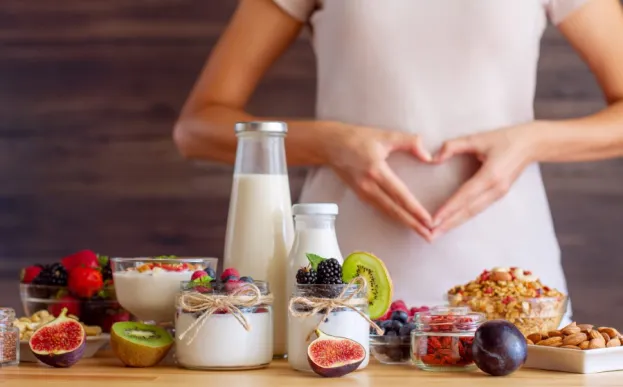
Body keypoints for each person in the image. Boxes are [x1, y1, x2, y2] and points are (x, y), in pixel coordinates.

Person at [173, 0, 623, 323]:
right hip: (341, 291)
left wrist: (531, 141)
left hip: (518, 291)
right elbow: (198, 127)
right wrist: (330, 142)